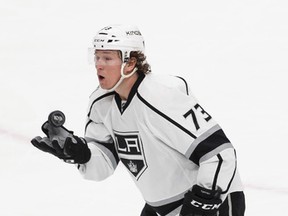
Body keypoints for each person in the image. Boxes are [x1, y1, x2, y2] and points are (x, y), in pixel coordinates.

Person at [31, 24, 245, 216]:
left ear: (130, 62)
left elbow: (220, 154)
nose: (98, 65)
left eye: (107, 58)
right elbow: (103, 164)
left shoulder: (162, 96)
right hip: (160, 206)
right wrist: (82, 153)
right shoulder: (100, 103)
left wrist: (202, 203)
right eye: (96, 57)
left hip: (209, 202)